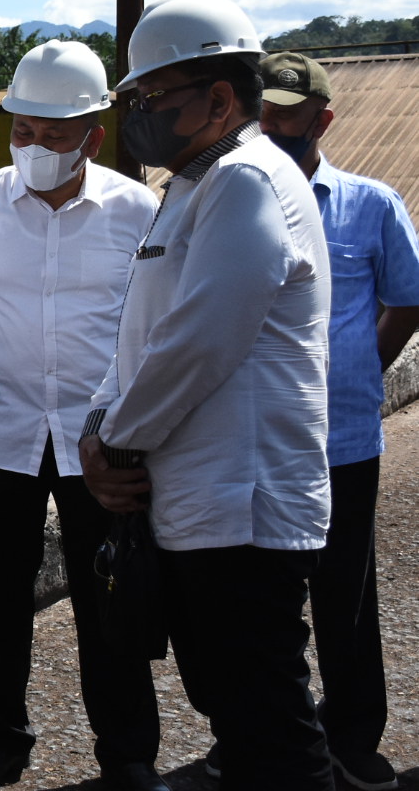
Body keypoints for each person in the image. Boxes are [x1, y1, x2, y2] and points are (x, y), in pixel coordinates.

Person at [81, 0, 335, 791]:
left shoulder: (246, 181)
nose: (139, 119)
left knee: (272, 731)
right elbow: (144, 333)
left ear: (221, 99)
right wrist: (99, 420)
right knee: (238, 719)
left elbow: (199, 342)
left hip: (243, 509)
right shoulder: (194, 186)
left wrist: (114, 440)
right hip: (200, 505)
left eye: (152, 101)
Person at [0, 40, 164, 791]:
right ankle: (1, 738)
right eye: (22, 131)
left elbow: (147, 322)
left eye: (53, 133)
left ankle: (126, 751)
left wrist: (104, 411)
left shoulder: (137, 209)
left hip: (104, 439)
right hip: (3, 433)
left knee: (112, 598)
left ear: (93, 137)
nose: (33, 146)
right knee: (1, 596)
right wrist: (15, 376)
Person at [255, 51, 419, 791]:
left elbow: (406, 300)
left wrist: (356, 372)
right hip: (253, 437)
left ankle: (352, 735)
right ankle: (260, 733)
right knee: (260, 599)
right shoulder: (231, 199)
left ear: (322, 119)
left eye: (286, 113)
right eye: (262, 110)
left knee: (344, 596)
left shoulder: (371, 204)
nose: (270, 124)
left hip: (342, 439)